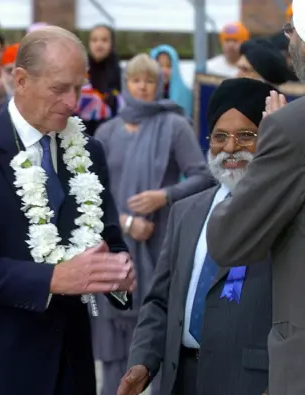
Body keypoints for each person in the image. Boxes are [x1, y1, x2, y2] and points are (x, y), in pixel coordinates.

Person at [0, 26, 135, 395]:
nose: (73, 101)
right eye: (59, 88)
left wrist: (118, 274)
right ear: (21, 80)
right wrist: (54, 279)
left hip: (70, 364)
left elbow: (109, 238)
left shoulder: (90, 152)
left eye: (79, 87)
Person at [118, 77, 274, 395]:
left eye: (246, 136)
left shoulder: (285, 214)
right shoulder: (186, 212)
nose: (230, 148)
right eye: (220, 137)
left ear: (268, 139)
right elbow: (159, 301)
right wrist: (143, 362)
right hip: (181, 379)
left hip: (252, 385)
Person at [93, 53, 212, 395]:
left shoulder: (174, 124)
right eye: (135, 80)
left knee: (158, 327)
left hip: (159, 242)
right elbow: (92, 194)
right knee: (114, 333)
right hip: (114, 244)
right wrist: (126, 222)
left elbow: (204, 176)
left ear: (159, 84)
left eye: (149, 80)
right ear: (125, 84)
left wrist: (165, 196)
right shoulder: (107, 130)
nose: (142, 87)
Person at [206, 0, 305, 392]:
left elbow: (228, 240)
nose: (289, 41)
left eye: (293, 31)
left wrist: (265, 154)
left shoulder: (291, 129)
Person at [83, 24, 122, 134]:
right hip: (83, 128)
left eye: (104, 40)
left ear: (112, 44)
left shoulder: (118, 71)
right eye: (94, 40)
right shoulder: (81, 69)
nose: (99, 44)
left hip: (110, 127)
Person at [150, 45, 193, 118]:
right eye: (160, 66)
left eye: (169, 66)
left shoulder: (185, 94)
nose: (164, 70)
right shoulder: (145, 92)